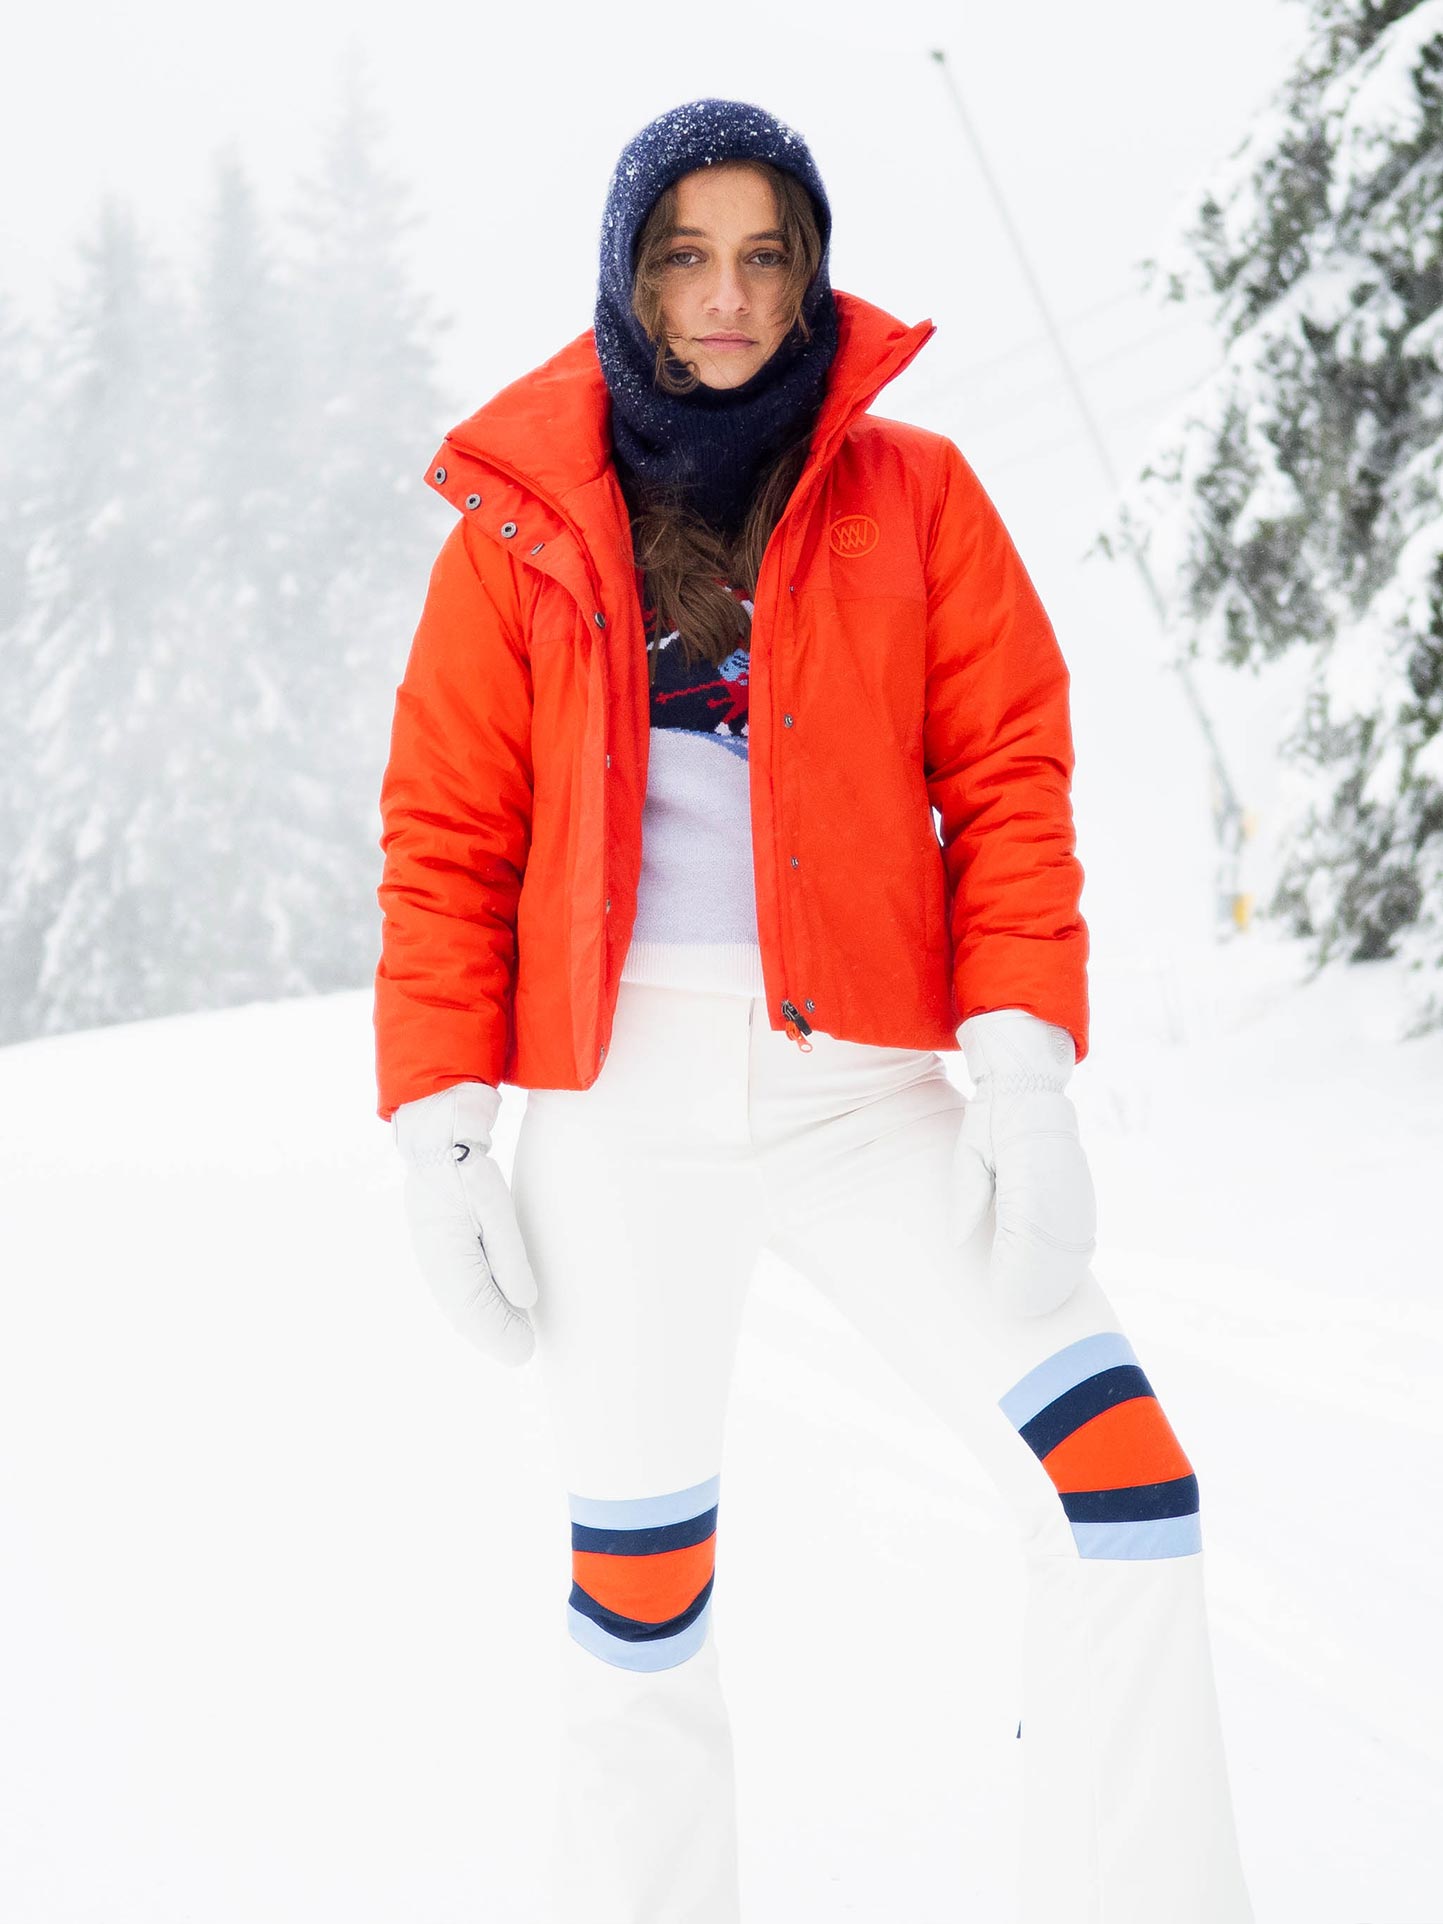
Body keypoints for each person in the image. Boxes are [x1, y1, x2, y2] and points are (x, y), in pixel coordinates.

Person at [372, 97, 1255, 1924]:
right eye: (685, 254)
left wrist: (1022, 1077)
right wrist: (441, 1128)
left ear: (812, 269)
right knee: (638, 1607)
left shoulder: (910, 494)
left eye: (765, 253)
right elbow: (447, 836)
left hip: (867, 1097)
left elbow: (1009, 774)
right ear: (628, 273)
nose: (727, 294)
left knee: (1124, 1495)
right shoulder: (521, 532)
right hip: (615, 1120)